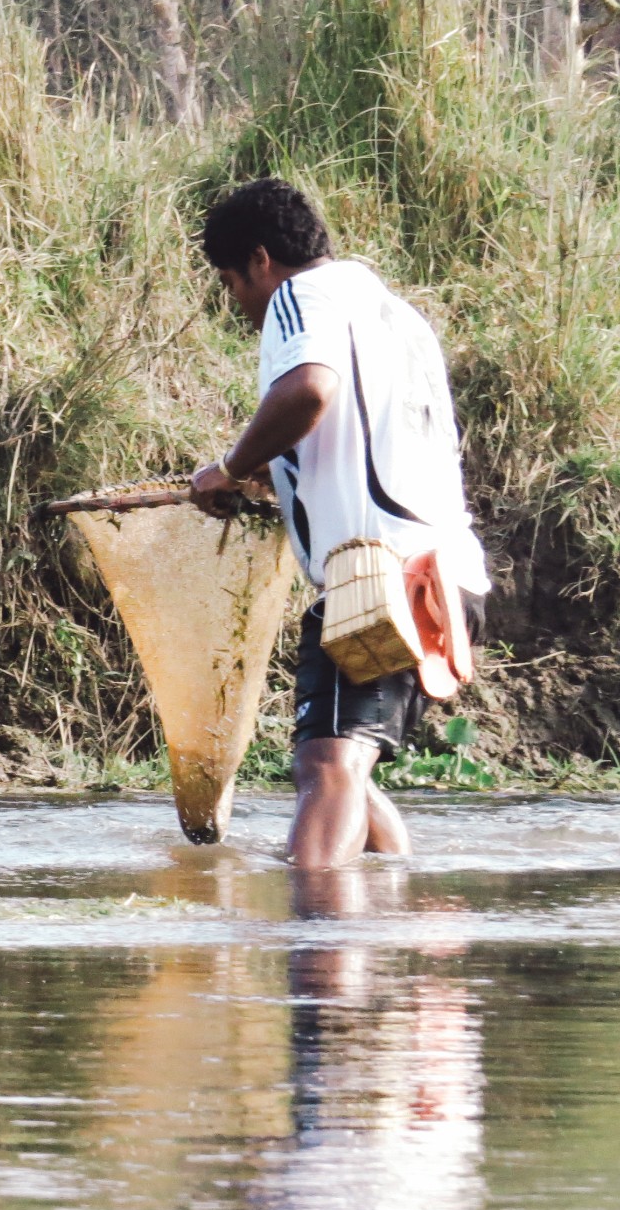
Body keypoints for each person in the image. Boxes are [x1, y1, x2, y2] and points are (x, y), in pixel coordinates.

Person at [188, 178, 489, 870]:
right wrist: (273, 472)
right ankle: (393, 924)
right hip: (445, 577)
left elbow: (310, 390)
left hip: (381, 578)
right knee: (345, 768)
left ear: (261, 261)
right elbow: (362, 432)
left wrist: (231, 470)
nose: (240, 303)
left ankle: (320, 956)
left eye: (233, 283)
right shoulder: (395, 316)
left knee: (325, 770)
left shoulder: (301, 297)